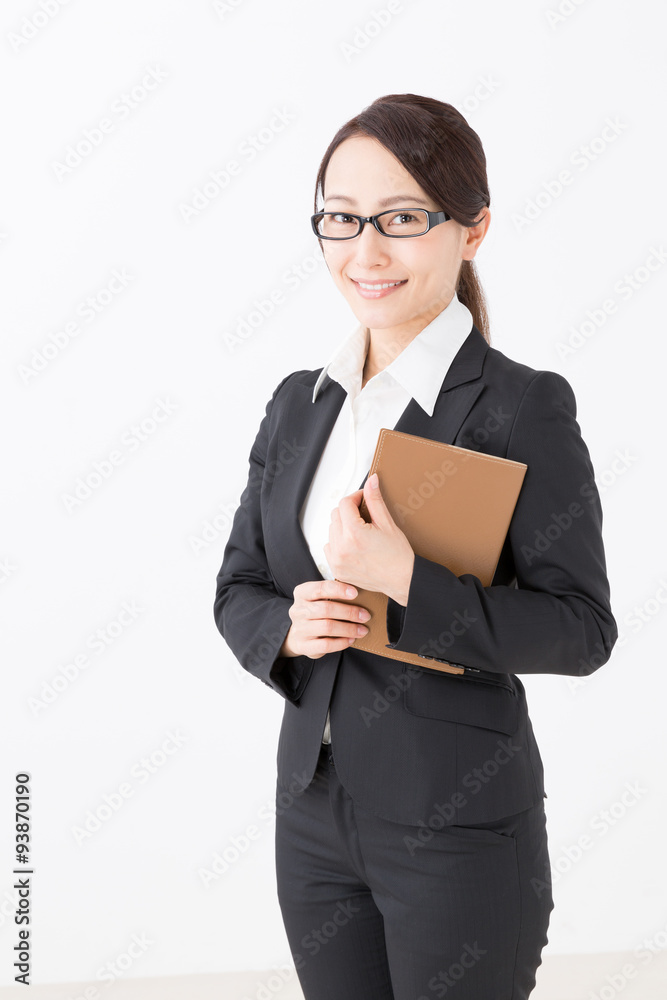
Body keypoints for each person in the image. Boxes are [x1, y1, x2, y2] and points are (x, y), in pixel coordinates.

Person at [213, 93, 618, 1000]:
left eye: (401, 218)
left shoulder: (519, 406)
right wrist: (288, 626)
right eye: (341, 218)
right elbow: (238, 584)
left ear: (470, 230)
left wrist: (405, 580)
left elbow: (581, 629)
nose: (366, 251)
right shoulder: (297, 402)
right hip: (312, 818)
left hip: (458, 824)